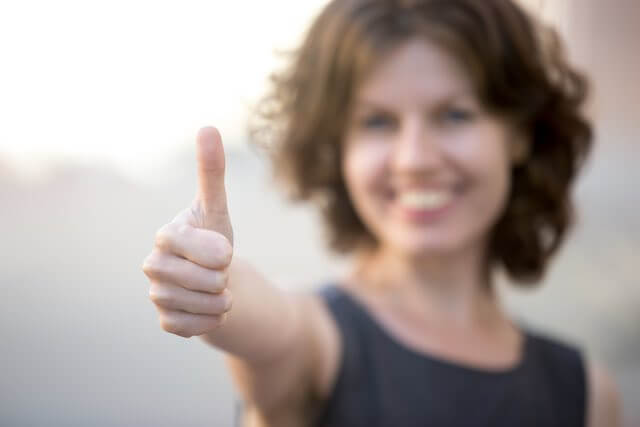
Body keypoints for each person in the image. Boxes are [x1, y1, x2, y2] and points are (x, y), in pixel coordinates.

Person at [142, 0, 621, 425]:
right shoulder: (318, 342)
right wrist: (219, 285)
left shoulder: (588, 395)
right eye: (377, 122)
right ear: (338, 150)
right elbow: (273, 328)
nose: (414, 159)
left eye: (454, 115)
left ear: (518, 134)